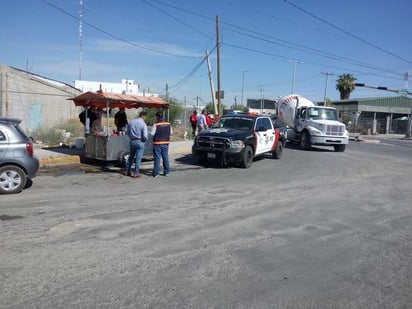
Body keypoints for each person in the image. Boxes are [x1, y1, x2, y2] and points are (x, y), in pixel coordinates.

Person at [125, 111, 148, 178]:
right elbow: (145, 135)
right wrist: (144, 140)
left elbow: (127, 132)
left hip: (132, 141)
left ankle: (127, 170)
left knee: (131, 157)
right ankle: (136, 172)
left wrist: (131, 138)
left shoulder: (131, 122)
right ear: (144, 116)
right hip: (140, 141)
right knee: (138, 158)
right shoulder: (143, 124)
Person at [151, 111, 173, 177]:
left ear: (157, 116)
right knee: (165, 157)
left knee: (157, 158)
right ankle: (166, 172)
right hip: (166, 143)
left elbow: (152, 133)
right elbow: (171, 132)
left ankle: (156, 173)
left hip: (157, 143)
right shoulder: (168, 123)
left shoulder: (156, 124)